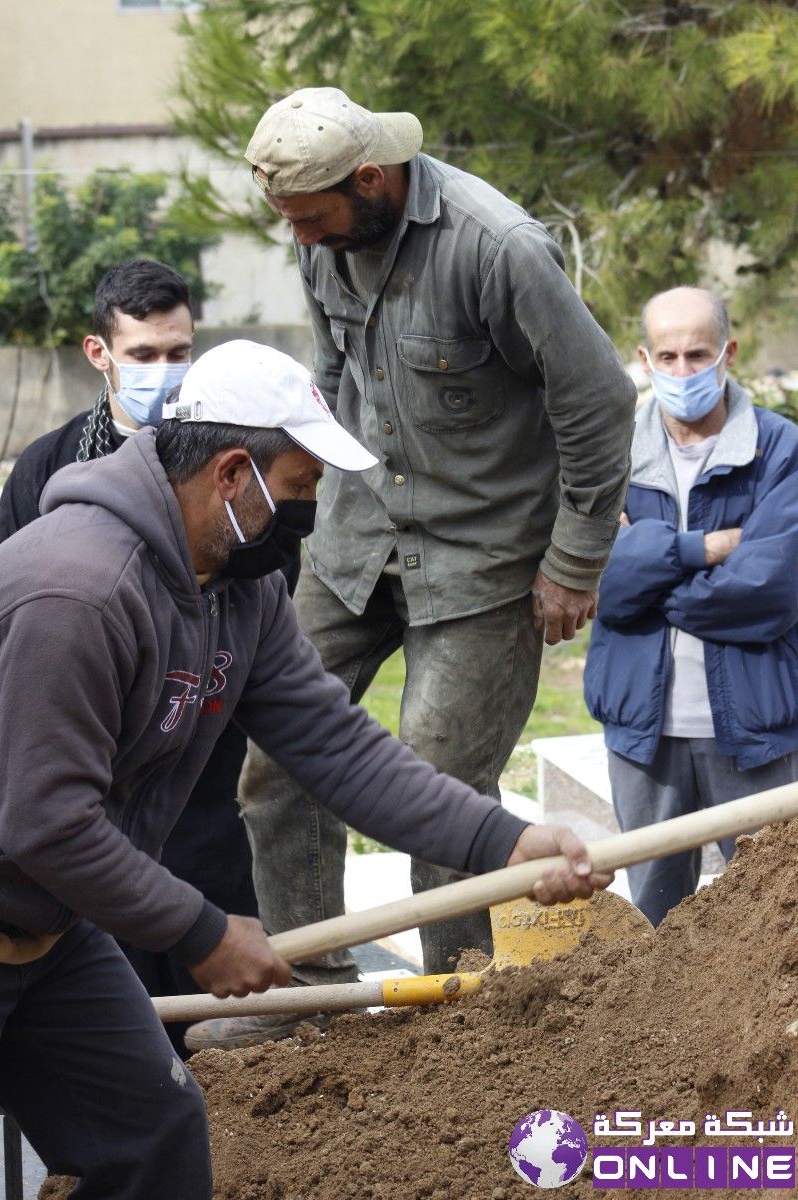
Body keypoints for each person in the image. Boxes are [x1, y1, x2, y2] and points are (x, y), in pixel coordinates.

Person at [0, 339, 610, 1200]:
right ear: (233, 473)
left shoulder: (239, 592)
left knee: (156, 1139)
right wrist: (202, 931)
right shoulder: (81, 592)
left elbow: (337, 745)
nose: (312, 511)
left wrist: (503, 842)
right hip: (19, 892)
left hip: (51, 937)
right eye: (302, 488)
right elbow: (43, 821)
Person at [184, 87, 638, 1050]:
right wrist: (298, 511)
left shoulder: (497, 247)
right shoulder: (324, 238)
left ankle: (464, 1016)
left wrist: (574, 556)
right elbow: (335, 380)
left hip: (482, 559)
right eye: (289, 223)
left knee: (439, 790)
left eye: (314, 218)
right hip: (355, 544)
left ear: (371, 178)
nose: (302, 239)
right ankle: (311, 991)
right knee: (272, 768)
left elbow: (597, 402)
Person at [0, 260, 262, 1053]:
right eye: (143, 354)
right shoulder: (47, 467)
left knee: (214, 1017)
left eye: (179, 352)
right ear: (98, 353)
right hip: (92, 781)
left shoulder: (229, 462)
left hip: (202, 771)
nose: (163, 371)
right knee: (115, 1013)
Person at [584, 286, 798, 927]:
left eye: (697, 354)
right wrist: (704, 548)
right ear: (644, 360)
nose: (682, 372)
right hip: (643, 739)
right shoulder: (609, 452)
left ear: (728, 353)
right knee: (653, 924)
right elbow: (595, 583)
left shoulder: (780, 450)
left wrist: (647, 571)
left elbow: (770, 592)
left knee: (772, 925)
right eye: (668, 356)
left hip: (757, 734)